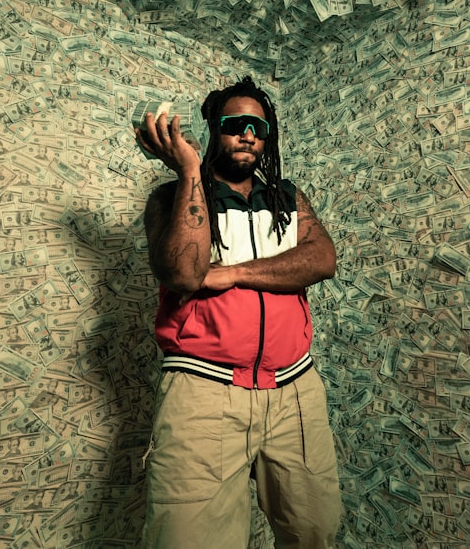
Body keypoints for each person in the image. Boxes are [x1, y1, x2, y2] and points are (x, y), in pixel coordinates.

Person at [135, 77, 342, 547]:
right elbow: (185, 273)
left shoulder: (287, 198)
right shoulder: (171, 198)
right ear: (214, 130)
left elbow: (321, 259)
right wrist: (190, 172)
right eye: (234, 124)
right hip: (204, 392)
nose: (247, 134)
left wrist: (230, 274)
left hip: (295, 392)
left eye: (257, 126)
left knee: (315, 531)